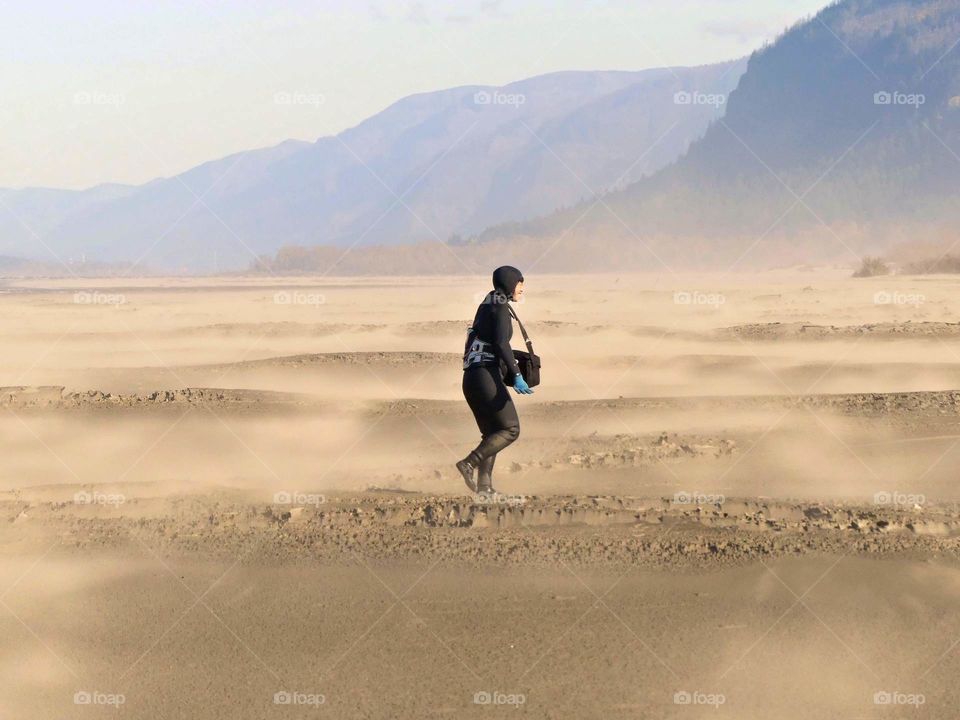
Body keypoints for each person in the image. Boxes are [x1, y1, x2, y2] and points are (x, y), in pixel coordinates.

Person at [457, 265, 533, 496]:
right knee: (510, 429)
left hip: (473, 377)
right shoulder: (499, 306)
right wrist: (517, 375)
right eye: (520, 283)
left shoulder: (490, 303)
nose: (522, 289)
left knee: (494, 432)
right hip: (484, 376)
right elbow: (501, 343)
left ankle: (485, 488)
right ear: (510, 282)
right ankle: (469, 463)